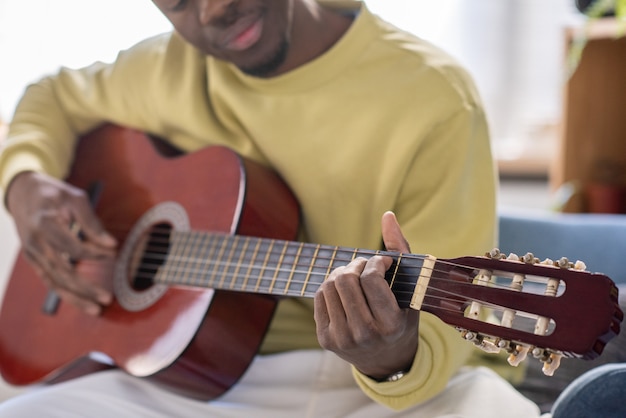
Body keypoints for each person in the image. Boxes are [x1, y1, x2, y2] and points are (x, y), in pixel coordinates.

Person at [0, 0, 542, 416]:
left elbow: (446, 332)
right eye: (181, 4)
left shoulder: (433, 96)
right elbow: (51, 95)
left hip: (363, 389)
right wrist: (24, 184)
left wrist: (392, 357)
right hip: (190, 385)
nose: (214, 10)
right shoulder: (166, 68)